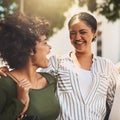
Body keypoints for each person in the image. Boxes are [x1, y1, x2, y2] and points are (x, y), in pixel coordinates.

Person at [0, 12, 119, 120]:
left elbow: (115, 105)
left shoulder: (107, 66)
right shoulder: (56, 63)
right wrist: (7, 71)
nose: (77, 37)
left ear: (94, 33)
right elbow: (28, 71)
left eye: (83, 32)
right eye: (72, 33)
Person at [0, 13, 60, 120]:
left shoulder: (50, 80)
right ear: (30, 49)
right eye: (45, 43)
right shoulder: (5, 84)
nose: (49, 47)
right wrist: (20, 102)